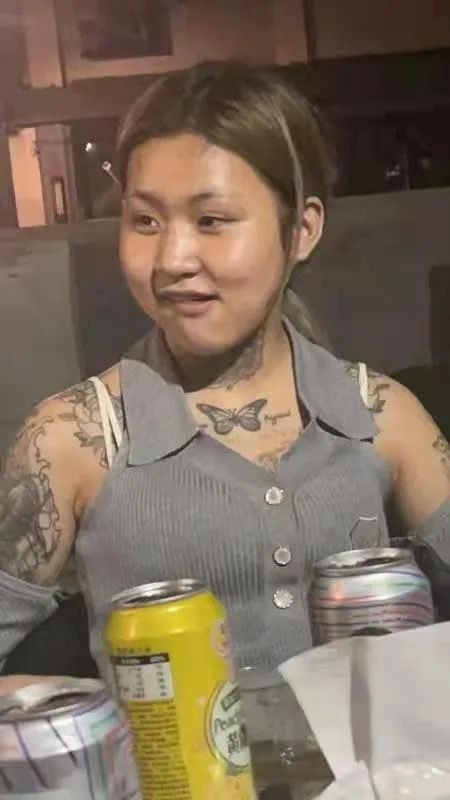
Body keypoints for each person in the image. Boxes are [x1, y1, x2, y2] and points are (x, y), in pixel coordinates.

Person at [1, 61, 450, 693]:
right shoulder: (72, 438)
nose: (172, 259)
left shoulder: (381, 416)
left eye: (212, 221)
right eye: (145, 221)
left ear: (302, 230)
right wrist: (91, 714)